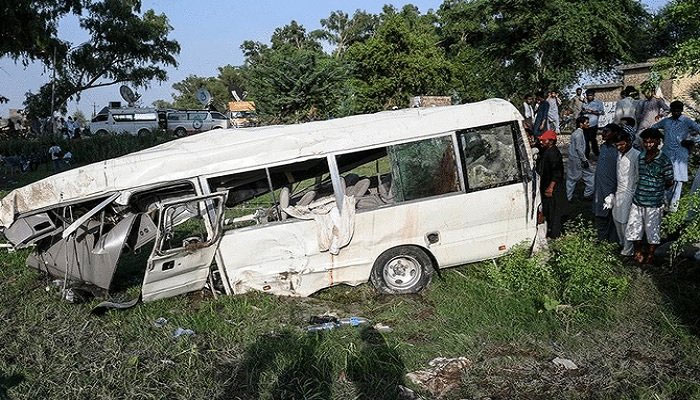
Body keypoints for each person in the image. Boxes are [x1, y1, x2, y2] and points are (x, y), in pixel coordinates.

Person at [626, 128, 674, 264]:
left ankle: (651, 255)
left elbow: (669, 181)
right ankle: (638, 253)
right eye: (645, 142)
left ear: (658, 142)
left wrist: (656, 189)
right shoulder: (640, 157)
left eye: (651, 142)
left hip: (654, 203)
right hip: (638, 200)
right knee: (635, 228)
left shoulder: (664, 160)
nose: (648, 145)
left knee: (653, 230)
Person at [651, 101, 700, 212]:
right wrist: (661, 137)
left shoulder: (687, 121)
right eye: (674, 110)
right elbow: (653, 128)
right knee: (665, 179)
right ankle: (662, 206)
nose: (676, 112)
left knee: (678, 181)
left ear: (681, 110)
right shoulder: (666, 122)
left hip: (680, 155)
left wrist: (692, 141)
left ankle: (673, 209)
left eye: (678, 110)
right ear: (671, 110)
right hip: (667, 154)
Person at [609, 130, 640, 256]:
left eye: (622, 144)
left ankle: (628, 250)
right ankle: (622, 243)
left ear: (629, 142)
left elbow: (638, 177)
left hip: (630, 192)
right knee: (616, 218)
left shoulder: (636, 155)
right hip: (619, 191)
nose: (619, 147)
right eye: (617, 145)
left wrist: (635, 195)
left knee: (625, 221)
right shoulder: (619, 154)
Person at [536, 130, 567, 238]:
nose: (541, 142)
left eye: (543, 140)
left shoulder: (553, 154)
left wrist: (551, 187)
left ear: (550, 141)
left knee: (555, 211)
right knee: (549, 209)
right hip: (547, 184)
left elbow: (557, 172)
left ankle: (555, 234)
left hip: (553, 187)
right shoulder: (547, 151)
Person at [593, 124, 620, 242]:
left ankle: (612, 241)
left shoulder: (618, 150)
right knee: (600, 214)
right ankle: (602, 240)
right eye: (603, 131)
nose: (603, 134)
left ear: (614, 133)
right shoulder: (604, 147)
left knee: (612, 215)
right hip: (599, 187)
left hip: (612, 189)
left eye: (606, 132)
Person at [566, 116, 594, 201]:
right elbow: (578, 148)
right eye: (587, 123)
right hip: (578, 159)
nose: (588, 124)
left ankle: (569, 196)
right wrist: (584, 159)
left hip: (575, 158)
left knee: (572, 178)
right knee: (589, 175)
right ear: (581, 124)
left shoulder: (577, 133)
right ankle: (586, 194)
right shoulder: (578, 134)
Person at [581, 89, 605, 158]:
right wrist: (584, 112)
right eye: (588, 95)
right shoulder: (584, 103)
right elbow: (582, 112)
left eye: (591, 95)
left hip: (593, 124)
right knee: (585, 140)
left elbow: (602, 112)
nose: (589, 97)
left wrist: (592, 111)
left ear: (594, 95)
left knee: (593, 139)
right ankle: (586, 154)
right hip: (585, 125)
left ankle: (596, 153)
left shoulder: (598, 102)